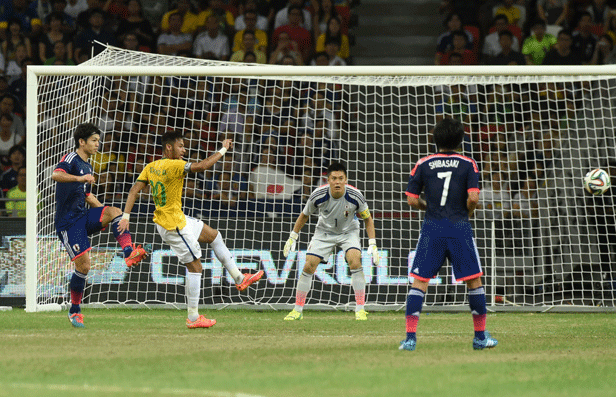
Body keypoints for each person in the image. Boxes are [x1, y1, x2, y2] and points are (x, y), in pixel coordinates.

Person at [118, 132, 264, 328]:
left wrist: (126, 216)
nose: (184, 150)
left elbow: (133, 190)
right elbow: (203, 166)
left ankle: (239, 278)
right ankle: (193, 317)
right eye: (181, 146)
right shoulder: (175, 165)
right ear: (169, 147)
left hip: (175, 218)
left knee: (214, 235)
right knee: (195, 267)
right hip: (173, 225)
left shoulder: (151, 167)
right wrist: (223, 149)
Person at [399, 117, 498, 351]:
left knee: (420, 282)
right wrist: (467, 212)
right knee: (474, 281)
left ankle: (410, 339)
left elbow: (412, 199)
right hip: (459, 227)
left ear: (436, 140)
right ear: (460, 140)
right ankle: (480, 337)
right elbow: (473, 197)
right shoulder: (468, 163)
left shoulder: (423, 163)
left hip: (432, 228)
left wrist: (427, 207)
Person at [52, 123, 147, 328]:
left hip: (83, 216)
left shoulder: (89, 166)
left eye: (98, 140)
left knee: (116, 212)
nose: (98, 144)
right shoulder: (71, 159)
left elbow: (86, 195)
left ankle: (129, 252)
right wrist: (79, 177)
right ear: (82, 142)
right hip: (68, 224)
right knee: (84, 266)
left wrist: (106, 215)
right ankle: (75, 311)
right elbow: (56, 175)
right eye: (94, 140)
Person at [282, 162, 380, 321]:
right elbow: (304, 215)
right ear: (328, 180)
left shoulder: (356, 195)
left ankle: (360, 309)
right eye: (334, 178)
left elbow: (367, 219)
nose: (337, 182)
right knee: (308, 265)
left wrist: (373, 243)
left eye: (341, 178)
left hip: (349, 231)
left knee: (355, 260)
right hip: (324, 231)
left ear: (346, 180)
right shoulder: (317, 194)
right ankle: (297, 310)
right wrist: (293, 236)